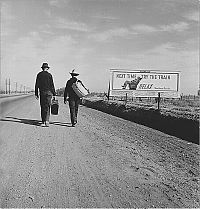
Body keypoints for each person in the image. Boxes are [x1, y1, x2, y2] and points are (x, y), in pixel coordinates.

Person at [35, 63, 56, 127]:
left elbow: (37, 85)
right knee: (48, 106)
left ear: (42, 68)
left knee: (43, 106)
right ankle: (47, 121)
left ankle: (43, 122)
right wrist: (54, 94)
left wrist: (36, 93)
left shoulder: (39, 74)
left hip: (42, 93)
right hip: (49, 93)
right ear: (47, 68)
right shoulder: (49, 75)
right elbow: (52, 85)